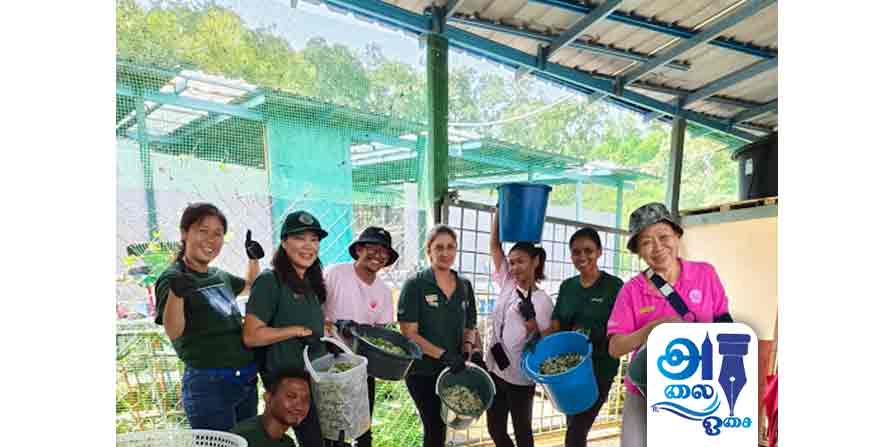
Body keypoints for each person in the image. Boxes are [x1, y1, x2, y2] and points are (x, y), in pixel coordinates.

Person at [606, 202, 732, 447]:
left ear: (677, 236)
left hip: (696, 390)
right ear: (638, 251)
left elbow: (725, 324)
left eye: (664, 237)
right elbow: (615, 347)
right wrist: (651, 329)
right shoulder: (632, 290)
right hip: (645, 389)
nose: (657, 247)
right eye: (646, 242)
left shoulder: (705, 274)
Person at [153, 202, 263, 430]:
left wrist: (253, 259)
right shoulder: (172, 278)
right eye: (203, 231)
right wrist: (176, 293)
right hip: (210, 386)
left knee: (246, 441)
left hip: (245, 379)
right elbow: (173, 330)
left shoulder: (218, 275)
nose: (211, 240)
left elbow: (250, 286)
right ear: (184, 233)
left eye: (218, 234)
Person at [243, 210, 330, 447]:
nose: (308, 246)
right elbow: (251, 335)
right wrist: (294, 331)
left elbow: (309, 323)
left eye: (314, 240)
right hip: (288, 386)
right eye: (300, 238)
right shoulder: (270, 281)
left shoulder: (310, 282)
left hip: (315, 379)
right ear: (284, 242)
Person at [398, 224, 481, 447]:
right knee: (434, 427)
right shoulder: (415, 284)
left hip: (453, 371)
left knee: (444, 427)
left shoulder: (464, 285)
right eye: (439, 247)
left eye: (451, 247)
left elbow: (470, 324)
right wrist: (443, 355)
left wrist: (468, 348)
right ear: (429, 250)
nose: (445, 253)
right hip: (422, 370)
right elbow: (409, 333)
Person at [541, 226, 624, 447]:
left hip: (599, 367)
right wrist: (541, 342)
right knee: (574, 425)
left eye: (588, 250)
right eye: (576, 252)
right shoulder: (568, 286)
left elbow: (622, 325)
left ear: (599, 252)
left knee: (576, 430)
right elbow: (557, 322)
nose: (582, 257)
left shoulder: (614, 286)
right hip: (570, 369)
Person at [322, 226, 400, 447]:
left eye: (384, 252)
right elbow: (313, 307)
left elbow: (379, 333)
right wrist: (332, 328)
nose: (378, 255)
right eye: (372, 248)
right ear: (358, 250)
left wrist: (361, 335)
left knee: (362, 429)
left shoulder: (384, 291)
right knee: (331, 428)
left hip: (361, 367)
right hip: (328, 362)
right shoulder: (335, 273)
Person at [483, 209, 554, 447]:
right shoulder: (508, 283)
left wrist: (532, 325)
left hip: (521, 377)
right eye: (512, 262)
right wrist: (499, 213)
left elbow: (548, 343)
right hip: (496, 368)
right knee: (495, 428)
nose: (514, 267)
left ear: (535, 262)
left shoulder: (543, 301)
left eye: (520, 261)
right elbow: (495, 247)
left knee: (522, 432)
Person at [230, 368, 312, 447]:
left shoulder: (288, 443)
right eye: (291, 396)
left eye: (305, 400)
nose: (299, 406)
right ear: (268, 397)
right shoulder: (240, 439)